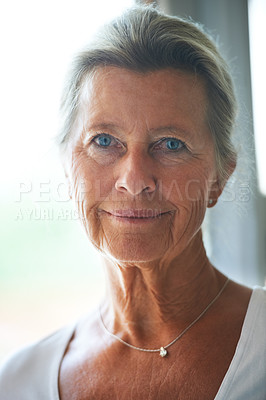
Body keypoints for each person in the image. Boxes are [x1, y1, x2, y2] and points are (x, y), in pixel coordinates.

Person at [0, 5, 265, 400]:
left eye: (171, 144)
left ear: (220, 176)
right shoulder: (18, 383)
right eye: (104, 141)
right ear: (67, 166)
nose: (135, 180)